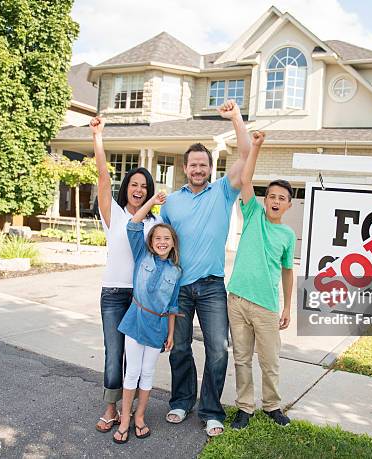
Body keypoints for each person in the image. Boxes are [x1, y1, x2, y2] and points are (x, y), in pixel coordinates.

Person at [160, 100, 250, 436]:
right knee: (180, 348)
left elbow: (245, 154)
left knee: (217, 349)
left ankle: (211, 409)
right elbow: (161, 244)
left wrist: (237, 118)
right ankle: (182, 402)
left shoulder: (223, 192)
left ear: (210, 168)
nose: (198, 170)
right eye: (193, 165)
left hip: (212, 286)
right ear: (185, 168)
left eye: (203, 165)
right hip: (179, 287)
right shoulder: (171, 202)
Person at [91, 117, 161, 433]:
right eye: (134, 184)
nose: (138, 189)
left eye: (144, 187)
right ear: (127, 188)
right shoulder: (114, 216)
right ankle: (111, 407)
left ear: (149, 193)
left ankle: (131, 409)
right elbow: (103, 178)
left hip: (140, 300)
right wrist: (98, 137)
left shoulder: (151, 225)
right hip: (113, 294)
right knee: (113, 352)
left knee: (135, 359)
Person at [226, 131, 296, 429]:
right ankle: (245, 407)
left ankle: (272, 406)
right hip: (238, 299)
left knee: (269, 361)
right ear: (264, 200)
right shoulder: (253, 212)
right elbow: (245, 179)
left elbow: (287, 271)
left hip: (267, 305)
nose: (276, 201)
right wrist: (255, 146)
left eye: (282, 198)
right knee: (241, 359)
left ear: (289, 205)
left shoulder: (288, 235)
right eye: (272, 196)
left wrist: (287, 308)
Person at [112, 191, 182, 443]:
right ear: (151, 242)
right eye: (158, 238)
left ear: (173, 243)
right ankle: (125, 420)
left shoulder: (176, 271)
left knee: (148, 372)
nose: (162, 242)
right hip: (136, 320)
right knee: (132, 372)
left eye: (167, 238)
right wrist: (152, 202)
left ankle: (140, 416)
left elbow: (173, 305)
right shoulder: (142, 256)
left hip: (158, 326)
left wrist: (171, 334)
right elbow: (133, 225)